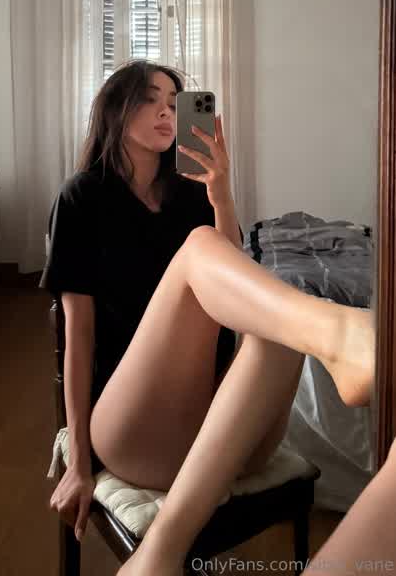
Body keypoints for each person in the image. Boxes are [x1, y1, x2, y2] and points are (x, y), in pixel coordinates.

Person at [41, 59, 375, 574]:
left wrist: (220, 191)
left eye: (175, 104)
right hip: (133, 433)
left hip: (224, 434)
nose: (166, 112)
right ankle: (343, 334)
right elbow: (78, 338)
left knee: (276, 322)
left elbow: (238, 292)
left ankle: (159, 555)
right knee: (203, 249)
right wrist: (79, 462)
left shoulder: (190, 190)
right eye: (150, 99)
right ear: (115, 110)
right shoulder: (81, 197)